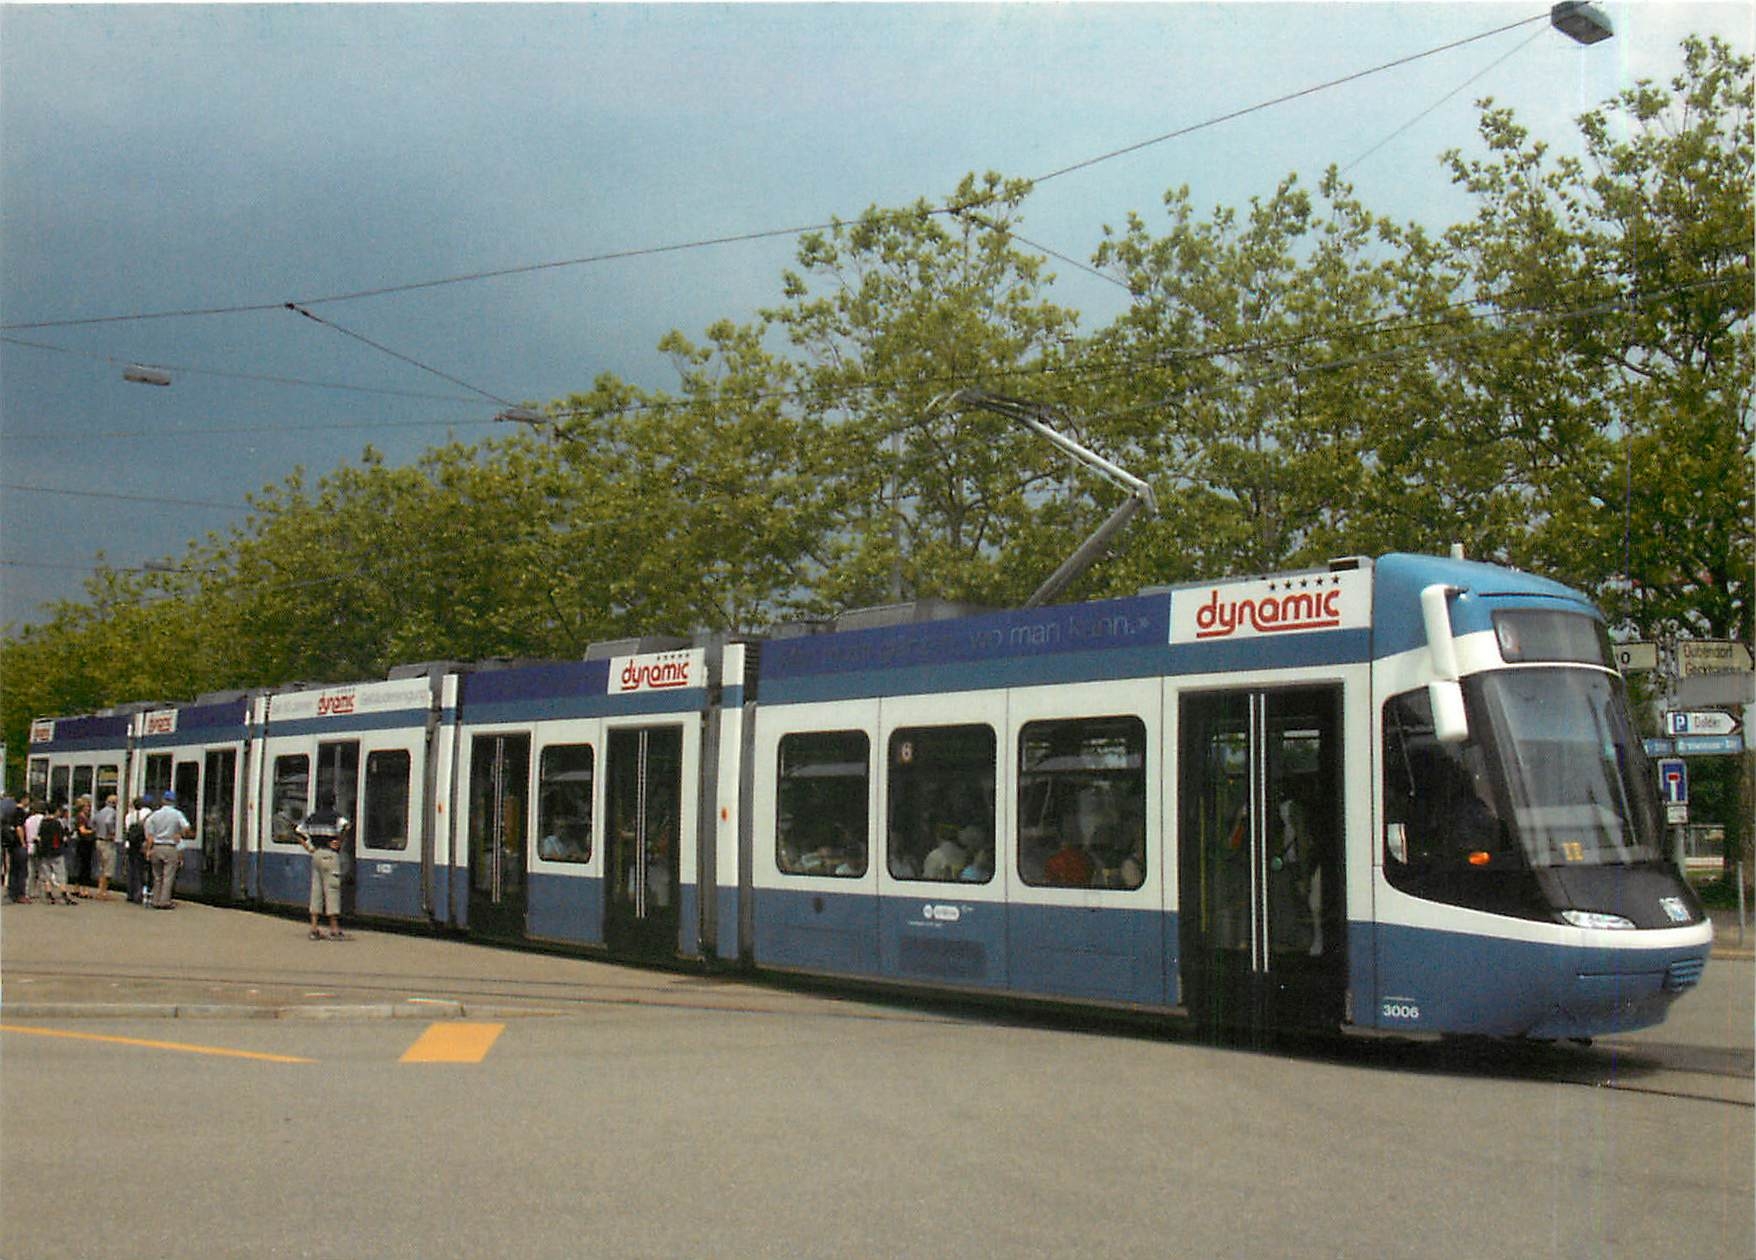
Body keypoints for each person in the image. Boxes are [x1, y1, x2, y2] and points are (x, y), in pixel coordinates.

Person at [296, 790, 349, 940]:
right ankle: (334, 929)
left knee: (316, 891)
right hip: (330, 855)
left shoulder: (312, 818)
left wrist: (309, 848)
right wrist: (339, 841)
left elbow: (298, 832)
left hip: (316, 854)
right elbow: (346, 826)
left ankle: (314, 928)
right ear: (333, 802)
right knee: (332, 890)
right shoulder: (335, 817)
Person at [144, 789, 193, 909]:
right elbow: (187, 827)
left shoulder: (154, 815)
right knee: (168, 876)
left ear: (163, 801)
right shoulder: (177, 814)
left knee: (157, 876)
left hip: (156, 847)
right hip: (170, 847)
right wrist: (180, 834)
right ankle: (164, 901)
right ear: (174, 801)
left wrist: (148, 850)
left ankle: (155, 900)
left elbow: (149, 834)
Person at [36, 805, 76, 906]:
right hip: (56, 851)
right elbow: (62, 838)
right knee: (61, 874)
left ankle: (49, 895)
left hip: (45, 852)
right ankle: (64, 895)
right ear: (56, 811)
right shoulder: (57, 823)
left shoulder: (43, 823)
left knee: (47, 874)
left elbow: (39, 837)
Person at [123, 796, 152, 904]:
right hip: (142, 844)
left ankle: (130, 893)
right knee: (140, 870)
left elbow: (127, 829)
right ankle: (138, 894)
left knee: (131, 869)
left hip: (132, 844)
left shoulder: (129, 816)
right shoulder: (148, 813)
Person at [91, 793, 119, 900]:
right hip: (107, 842)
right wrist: (111, 833)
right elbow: (108, 822)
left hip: (98, 840)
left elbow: (92, 823)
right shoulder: (112, 812)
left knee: (101, 867)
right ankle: (103, 892)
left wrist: (97, 831)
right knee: (108, 868)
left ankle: (100, 890)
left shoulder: (99, 812)